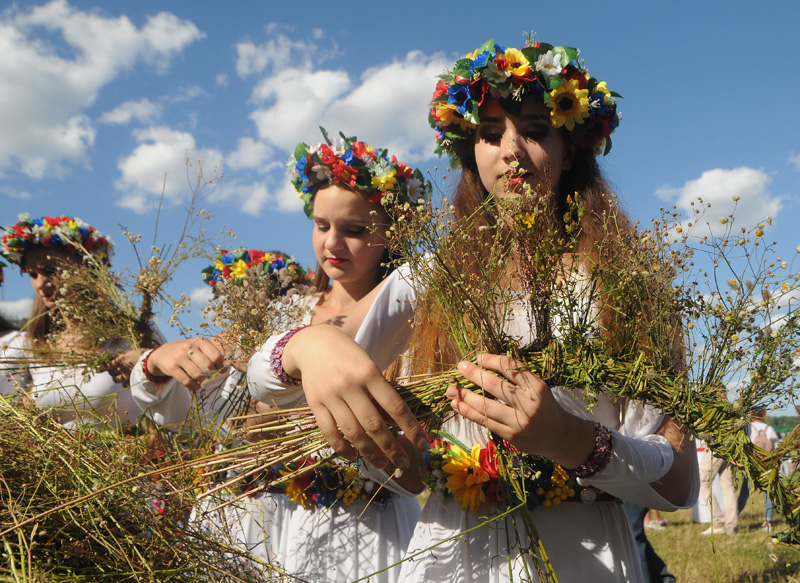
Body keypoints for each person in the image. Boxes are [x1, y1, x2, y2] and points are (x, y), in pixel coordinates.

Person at [259, 37, 700, 583]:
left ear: (570, 148)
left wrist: (572, 440)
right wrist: (310, 344)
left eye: (536, 131)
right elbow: (273, 385)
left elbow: (678, 480)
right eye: (490, 135)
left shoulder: (624, 282)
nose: (511, 149)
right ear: (471, 152)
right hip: (455, 557)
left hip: (587, 556)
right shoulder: (434, 278)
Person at [0, 214, 145, 428]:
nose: (40, 284)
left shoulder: (132, 334)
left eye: (51, 271)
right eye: (32, 274)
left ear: (86, 267)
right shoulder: (35, 346)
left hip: (134, 456)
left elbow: (169, 409)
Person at [749, 409, 778, 532]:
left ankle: (733, 517)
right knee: (768, 494)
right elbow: (776, 446)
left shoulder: (749, 428)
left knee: (745, 493)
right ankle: (768, 521)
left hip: (752, 465)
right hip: (766, 466)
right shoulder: (769, 429)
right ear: (763, 415)